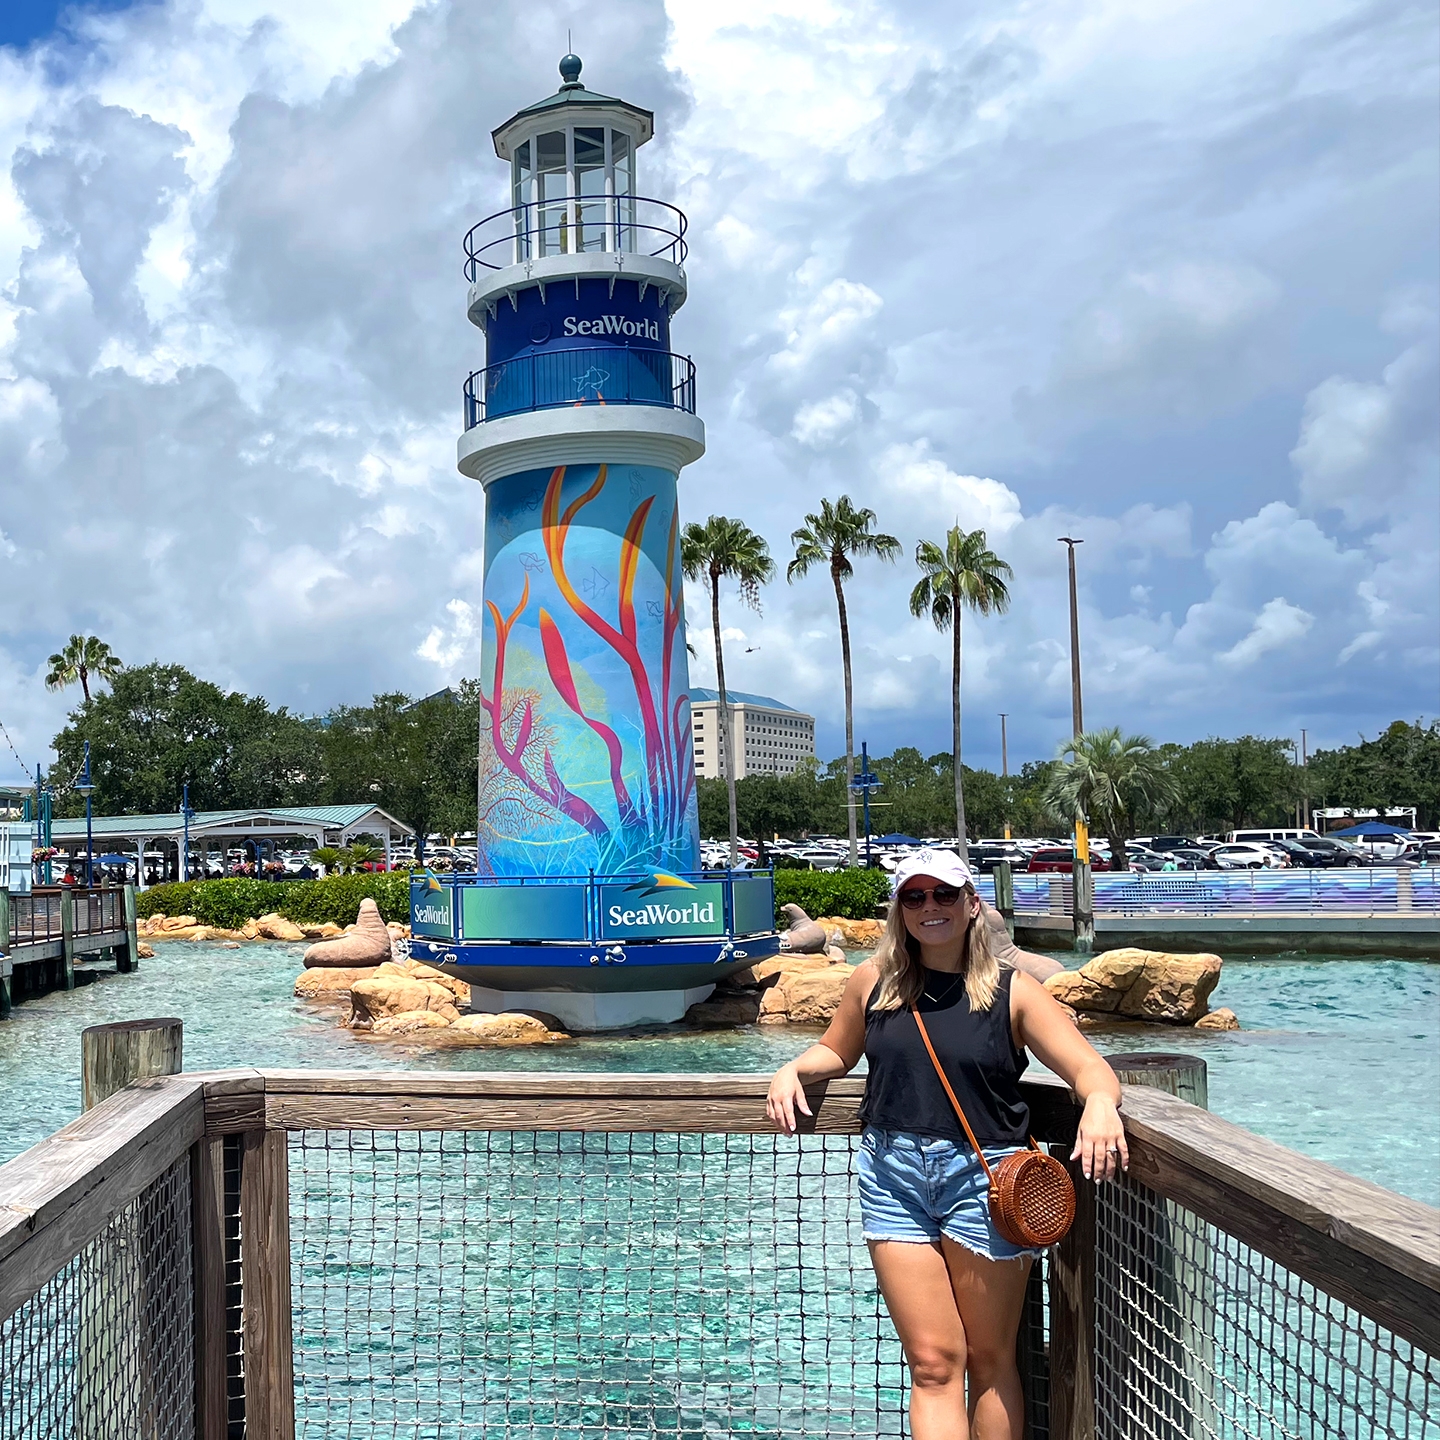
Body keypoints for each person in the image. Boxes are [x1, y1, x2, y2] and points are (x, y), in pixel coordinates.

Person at [766, 848, 1127, 1440]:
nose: (929, 907)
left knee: (989, 1361)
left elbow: (1090, 1069)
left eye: (943, 894)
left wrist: (1100, 1105)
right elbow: (839, 1049)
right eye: (914, 896)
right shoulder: (874, 981)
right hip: (891, 1177)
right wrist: (795, 1069)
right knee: (933, 1365)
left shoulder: (1012, 992)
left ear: (971, 902)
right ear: (900, 909)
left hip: (985, 1183)